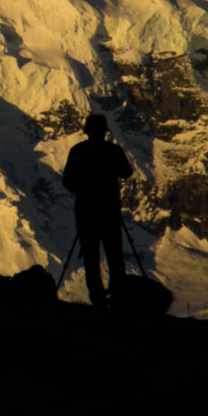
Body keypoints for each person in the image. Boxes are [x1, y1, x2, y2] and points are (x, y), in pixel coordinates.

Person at [62, 112, 134, 308]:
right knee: (114, 256)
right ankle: (118, 297)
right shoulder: (113, 150)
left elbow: (67, 180)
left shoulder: (77, 151)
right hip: (109, 210)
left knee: (91, 258)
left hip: (85, 212)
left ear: (87, 132)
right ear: (104, 132)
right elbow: (127, 172)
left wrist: (82, 189)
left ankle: (98, 299)